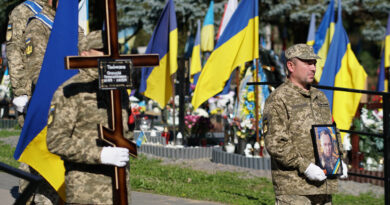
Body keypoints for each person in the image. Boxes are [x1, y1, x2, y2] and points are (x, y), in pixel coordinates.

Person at [46, 31, 133, 204]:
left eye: (114, 49)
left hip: (119, 188)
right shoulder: (71, 91)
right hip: (86, 191)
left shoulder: (119, 89)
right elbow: (55, 141)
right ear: (84, 53)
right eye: (103, 49)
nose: (110, 55)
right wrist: (100, 154)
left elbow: (128, 130)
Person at [262, 44, 348, 204]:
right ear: (291, 66)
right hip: (294, 189)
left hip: (323, 187)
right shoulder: (278, 99)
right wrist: (305, 166)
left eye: (314, 63)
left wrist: (339, 158)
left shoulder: (320, 97)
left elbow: (331, 131)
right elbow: (275, 143)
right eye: (307, 63)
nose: (313, 68)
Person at [6, 0, 48, 126]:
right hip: (31, 89)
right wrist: (20, 91)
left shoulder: (60, 10)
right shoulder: (23, 11)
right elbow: (14, 51)